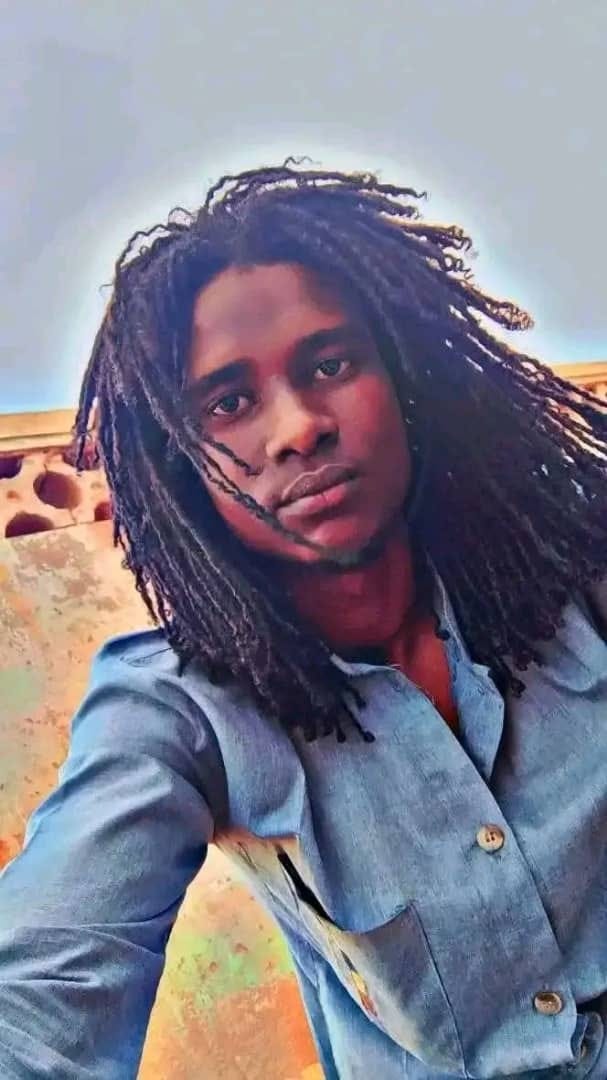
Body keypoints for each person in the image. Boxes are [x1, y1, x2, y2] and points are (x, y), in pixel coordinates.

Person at [0, 162, 606, 1080]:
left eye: (330, 365)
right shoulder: (175, 708)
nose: (298, 428)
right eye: (228, 404)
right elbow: (44, 989)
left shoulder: (572, 568)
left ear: (402, 376)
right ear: (179, 463)